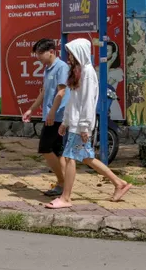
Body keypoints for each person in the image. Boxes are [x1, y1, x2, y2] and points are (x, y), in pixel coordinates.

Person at [46, 38, 132, 209]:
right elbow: (73, 102)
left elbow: (88, 103)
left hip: (81, 125)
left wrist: (84, 127)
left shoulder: (88, 73)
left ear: (80, 54)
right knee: (87, 158)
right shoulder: (78, 72)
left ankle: (66, 197)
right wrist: (65, 122)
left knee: (70, 158)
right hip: (75, 124)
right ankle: (119, 183)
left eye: (71, 54)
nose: (68, 57)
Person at [22, 39, 70, 197]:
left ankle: (63, 182)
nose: (38, 57)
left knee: (45, 147)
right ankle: (63, 184)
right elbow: (44, 93)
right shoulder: (48, 68)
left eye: (41, 53)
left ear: (52, 51)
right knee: (57, 151)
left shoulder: (61, 67)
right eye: (37, 54)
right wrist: (31, 109)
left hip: (58, 115)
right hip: (51, 115)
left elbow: (61, 92)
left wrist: (52, 112)